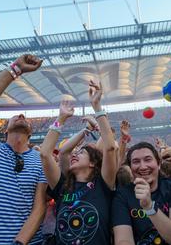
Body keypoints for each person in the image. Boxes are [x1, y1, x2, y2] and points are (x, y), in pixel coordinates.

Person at [0, 54, 47, 244]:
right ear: (5, 130)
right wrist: (16, 69)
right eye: (15, 116)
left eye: (25, 117)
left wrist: (20, 242)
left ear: (30, 133)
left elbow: (40, 207)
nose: (21, 114)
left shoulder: (41, 159)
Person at [39, 80, 119, 244]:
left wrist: (97, 106)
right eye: (76, 152)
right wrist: (60, 119)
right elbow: (46, 154)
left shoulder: (103, 184)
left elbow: (110, 147)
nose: (75, 153)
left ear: (93, 163)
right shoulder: (62, 186)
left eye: (81, 152)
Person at [112, 142, 171, 245]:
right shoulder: (122, 195)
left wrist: (149, 207)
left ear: (158, 164)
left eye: (148, 159)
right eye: (136, 162)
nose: (143, 166)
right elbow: (123, 240)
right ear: (130, 168)